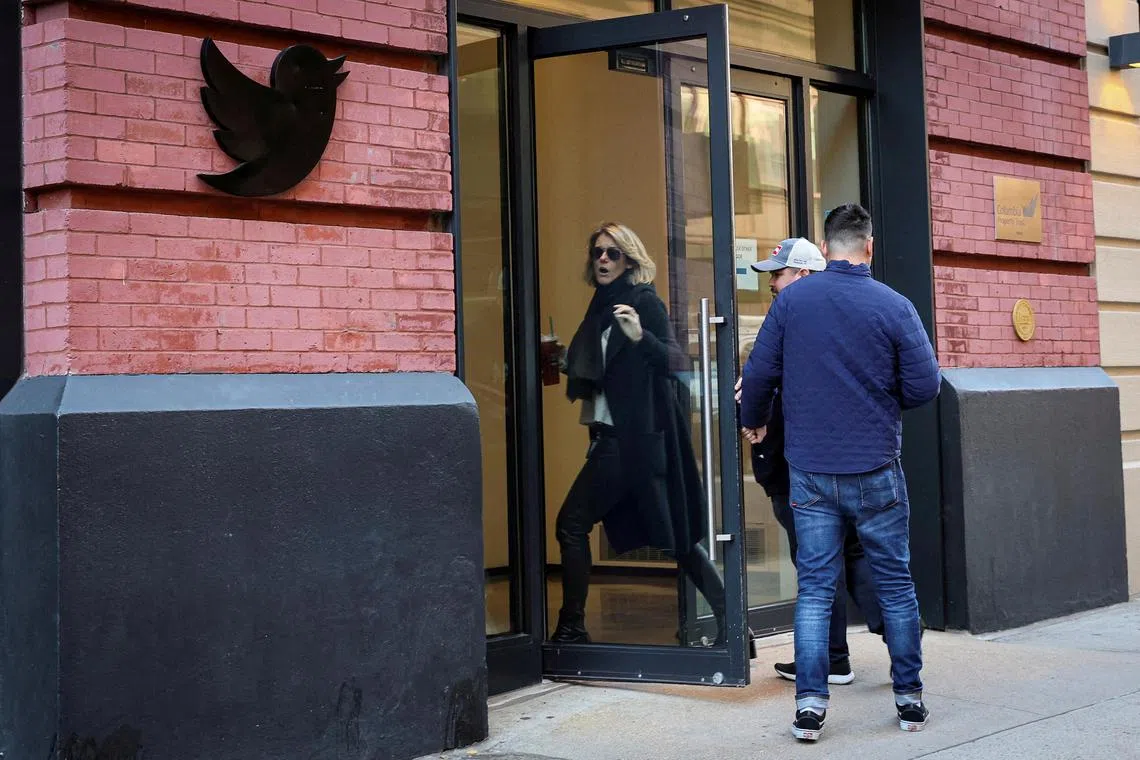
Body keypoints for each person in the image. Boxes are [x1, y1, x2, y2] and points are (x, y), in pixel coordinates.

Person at [739, 204, 941, 742]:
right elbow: (925, 387)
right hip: (877, 465)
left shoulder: (794, 303)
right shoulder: (895, 306)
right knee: (896, 585)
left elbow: (759, 372)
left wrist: (754, 422)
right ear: (868, 247)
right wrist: (879, 400)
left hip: (809, 470)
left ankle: (809, 707)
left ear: (826, 250)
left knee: (815, 589)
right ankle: (910, 699)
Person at [551, 222, 727, 647]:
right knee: (677, 538)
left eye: (613, 253)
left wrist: (639, 336)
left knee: (572, 525)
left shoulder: (641, 300)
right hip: (619, 438)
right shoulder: (601, 305)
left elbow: (673, 359)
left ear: (630, 259)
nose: (604, 260)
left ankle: (572, 627)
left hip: (629, 442)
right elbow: (604, 370)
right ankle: (734, 622)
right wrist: (562, 359)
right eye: (598, 253)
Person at [736, 238, 883, 686]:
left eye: (777, 275)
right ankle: (899, 635)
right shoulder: (839, 315)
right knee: (850, 554)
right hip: (847, 459)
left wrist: (754, 414)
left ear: (802, 275)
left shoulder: (795, 318)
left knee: (819, 565)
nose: (772, 286)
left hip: (797, 465)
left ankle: (833, 659)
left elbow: (771, 382)